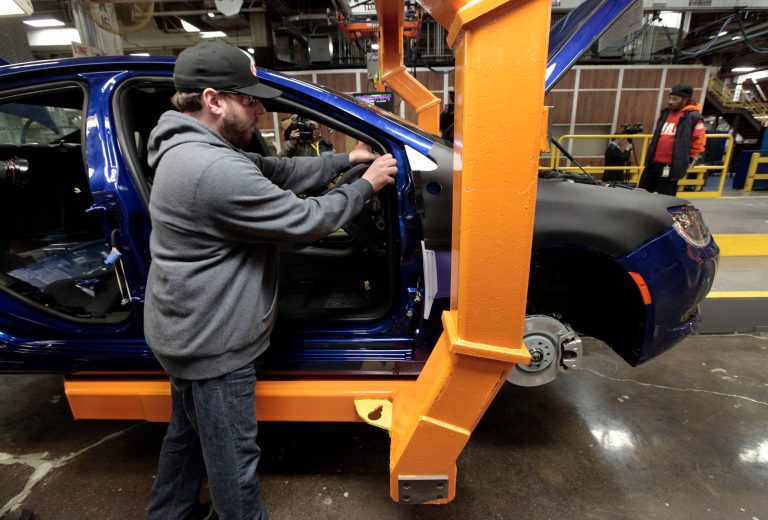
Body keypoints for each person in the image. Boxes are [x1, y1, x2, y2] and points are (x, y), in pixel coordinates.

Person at [143, 42, 397, 520]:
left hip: (183, 329)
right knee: (233, 462)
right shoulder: (213, 168)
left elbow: (277, 170)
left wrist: (345, 161)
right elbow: (306, 221)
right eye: (250, 99)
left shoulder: (191, 147)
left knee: (189, 437)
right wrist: (368, 184)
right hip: (212, 343)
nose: (261, 109)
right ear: (214, 99)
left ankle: (167, 514)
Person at [638, 84, 706, 195]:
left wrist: (688, 159)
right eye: (670, 98)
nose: (671, 102)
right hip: (653, 163)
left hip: (670, 167)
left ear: (685, 100)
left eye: (675, 99)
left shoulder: (693, 117)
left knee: (666, 197)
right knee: (642, 192)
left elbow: (699, 141)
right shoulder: (665, 113)